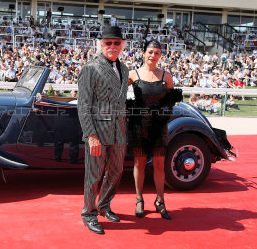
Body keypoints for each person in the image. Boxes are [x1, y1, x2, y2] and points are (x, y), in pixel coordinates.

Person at [77, 26, 129, 235]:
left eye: (117, 43)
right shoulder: (90, 68)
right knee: (94, 174)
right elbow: (83, 105)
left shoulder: (124, 69)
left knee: (116, 172)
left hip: (119, 131)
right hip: (97, 132)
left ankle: (104, 205)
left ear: (122, 45)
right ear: (101, 44)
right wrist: (91, 136)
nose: (112, 46)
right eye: (108, 42)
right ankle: (89, 214)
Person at [127, 39, 182, 220]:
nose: (153, 55)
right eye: (150, 52)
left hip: (159, 127)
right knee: (139, 163)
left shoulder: (166, 76)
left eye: (157, 53)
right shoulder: (133, 74)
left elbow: (171, 100)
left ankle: (160, 200)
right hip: (139, 127)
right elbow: (116, 92)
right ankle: (139, 199)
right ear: (144, 53)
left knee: (159, 165)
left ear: (160, 55)